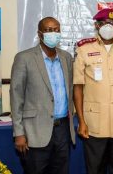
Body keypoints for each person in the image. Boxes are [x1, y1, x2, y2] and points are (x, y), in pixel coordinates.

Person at [73, 8, 113, 174]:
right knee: (95, 169)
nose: (108, 26)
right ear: (97, 25)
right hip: (94, 123)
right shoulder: (84, 50)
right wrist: (81, 121)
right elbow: (78, 87)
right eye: (104, 23)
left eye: (112, 23)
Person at [10, 17, 75, 174]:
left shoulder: (66, 58)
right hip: (35, 131)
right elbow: (16, 96)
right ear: (39, 34)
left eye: (56, 29)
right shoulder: (24, 58)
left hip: (63, 130)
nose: (54, 33)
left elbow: (71, 91)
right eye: (48, 30)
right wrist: (19, 133)